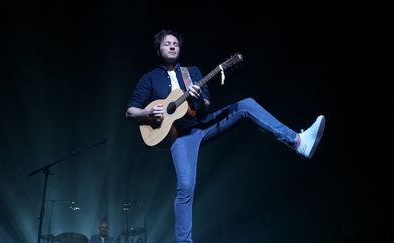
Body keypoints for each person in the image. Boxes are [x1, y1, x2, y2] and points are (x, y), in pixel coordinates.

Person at [125, 29, 326, 243]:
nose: (173, 46)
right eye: (167, 43)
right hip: (179, 137)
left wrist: (199, 98)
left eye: (176, 43)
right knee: (185, 187)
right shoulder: (149, 78)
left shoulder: (191, 72)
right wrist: (149, 112)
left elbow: (206, 105)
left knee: (246, 104)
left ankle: (297, 141)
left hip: (203, 124)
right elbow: (130, 111)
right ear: (159, 49)